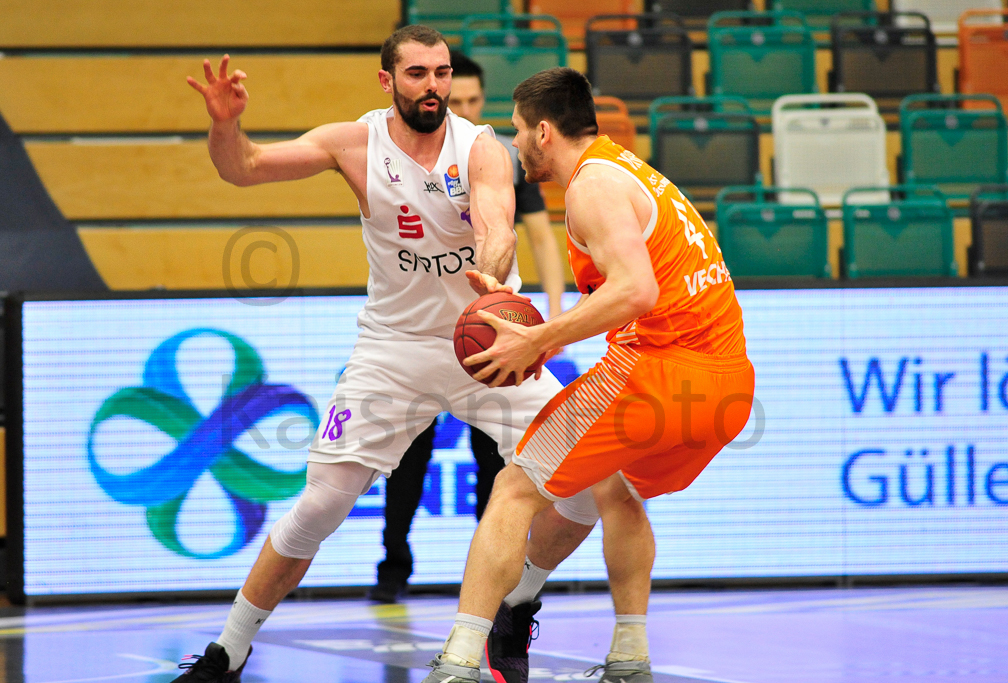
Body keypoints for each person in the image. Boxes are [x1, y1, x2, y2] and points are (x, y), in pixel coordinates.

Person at [171, 28, 597, 683]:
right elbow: (243, 168)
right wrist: (227, 126)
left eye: (442, 73)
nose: (433, 86)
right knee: (318, 506)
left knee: (591, 484)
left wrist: (490, 274)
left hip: (488, 342)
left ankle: (516, 603)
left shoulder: (479, 145)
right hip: (393, 351)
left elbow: (496, 224)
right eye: (418, 73)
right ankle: (228, 648)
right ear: (387, 80)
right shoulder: (353, 143)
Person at [421, 68, 756, 683]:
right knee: (616, 489)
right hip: (728, 385)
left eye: (519, 131)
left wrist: (540, 339)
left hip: (657, 371)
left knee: (514, 487)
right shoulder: (630, 171)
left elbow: (635, 290)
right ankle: (625, 655)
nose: (514, 143)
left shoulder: (590, 187)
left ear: (544, 132)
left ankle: (461, 659)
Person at [368, 51, 566, 605]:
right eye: (465, 100)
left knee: (496, 466)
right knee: (407, 462)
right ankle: (393, 563)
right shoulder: (409, 158)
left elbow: (537, 237)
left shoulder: (496, 157)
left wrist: (548, 315)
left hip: (486, 330)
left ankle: (489, 577)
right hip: (419, 336)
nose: (470, 109)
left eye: (477, 100)